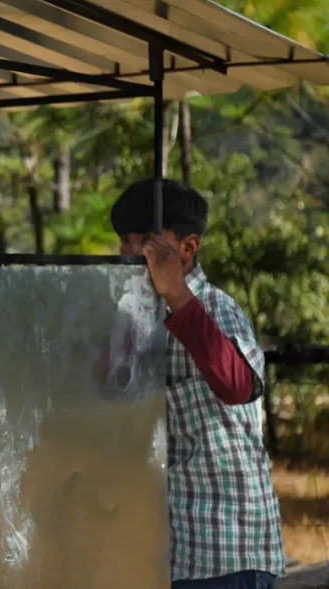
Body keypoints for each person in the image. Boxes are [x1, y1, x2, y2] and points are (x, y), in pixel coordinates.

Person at [111, 179, 285, 589]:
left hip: (223, 547)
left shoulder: (215, 308)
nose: (131, 252)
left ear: (188, 248)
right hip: (167, 550)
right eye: (125, 240)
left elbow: (239, 385)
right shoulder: (135, 316)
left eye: (146, 240)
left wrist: (176, 293)